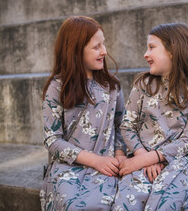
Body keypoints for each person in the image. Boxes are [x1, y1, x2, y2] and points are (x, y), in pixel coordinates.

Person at [112, 23, 188, 210]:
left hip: (177, 164)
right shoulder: (143, 84)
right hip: (139, 157)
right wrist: (142, 157)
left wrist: (154, 157)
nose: (145, 54)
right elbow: (127, 126)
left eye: (152, 47)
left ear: (173, 51)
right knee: (126, 202)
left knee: (166, 203)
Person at [40, 16, 126, 210]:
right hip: (69, 165)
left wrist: (120, 154)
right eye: (96, 47)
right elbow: (52, 140)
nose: (104, 51)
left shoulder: (112, 87)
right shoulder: (57, 87)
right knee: (73, 205)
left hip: (107, 164)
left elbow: (122, 125)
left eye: (104, 44)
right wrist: (94, 160)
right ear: (76, 50)